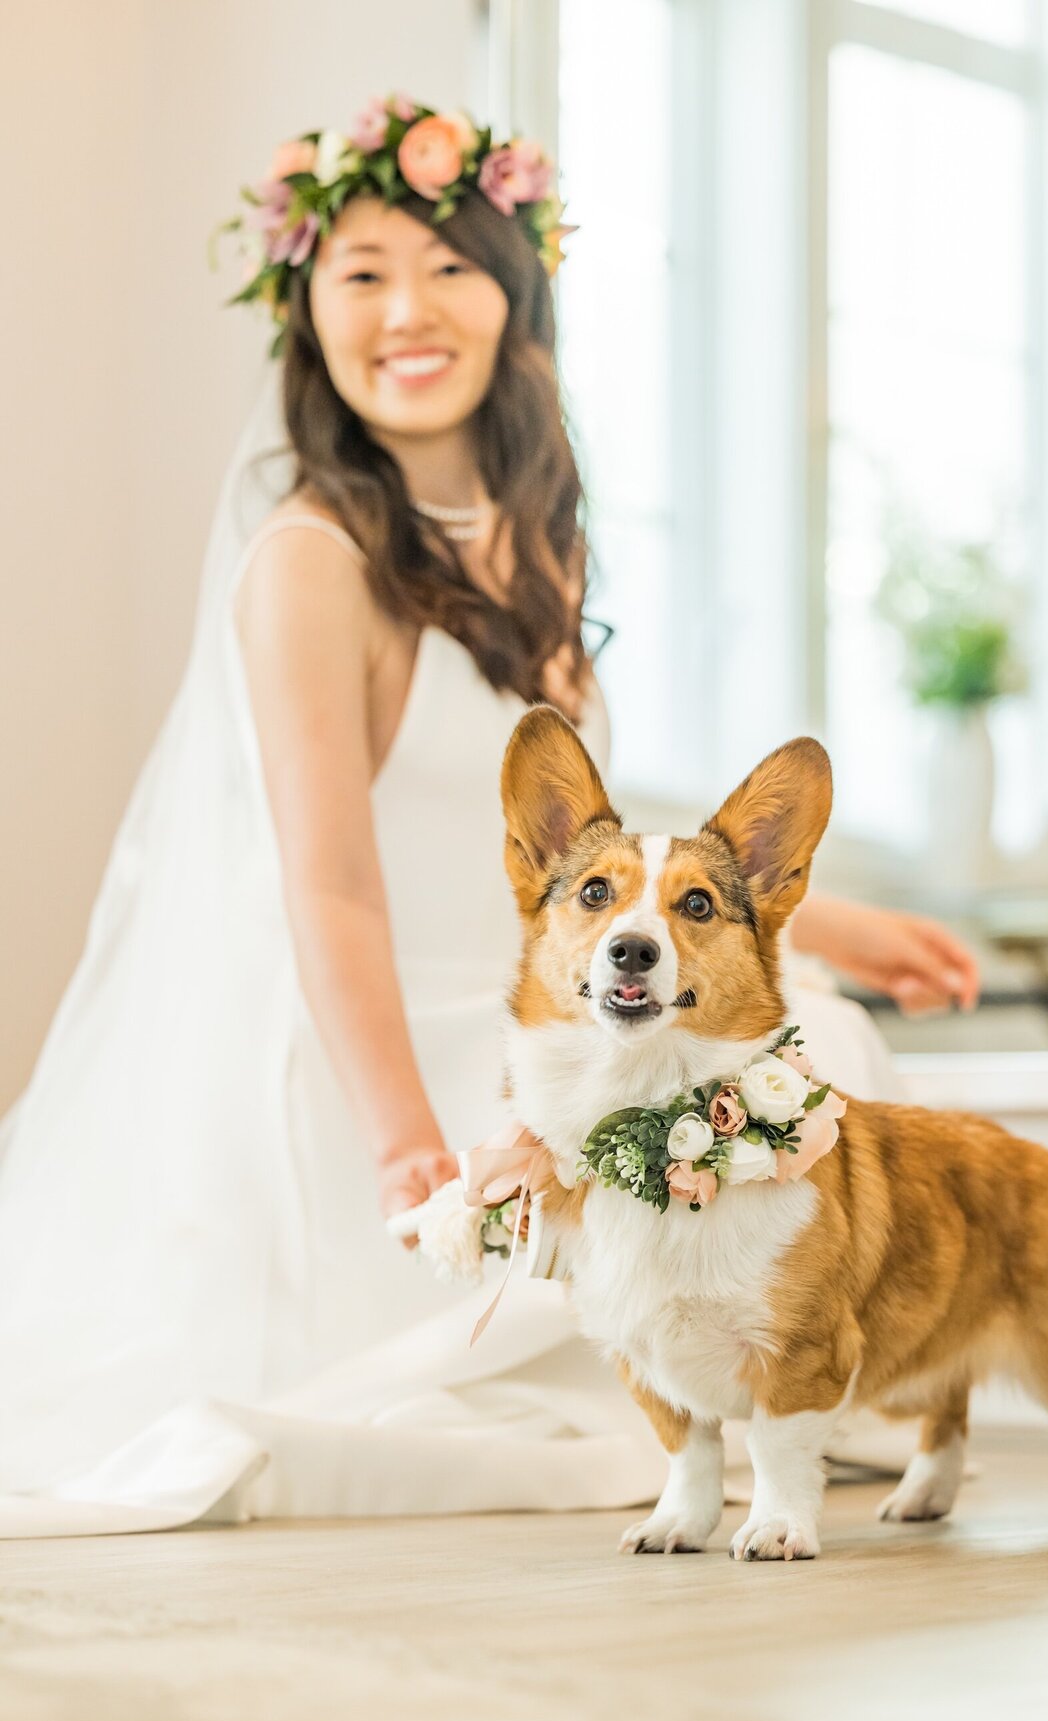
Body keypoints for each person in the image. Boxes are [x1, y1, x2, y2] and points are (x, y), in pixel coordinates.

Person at [0, 95, 977, 1536]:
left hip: (528, 997)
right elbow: (326, 883)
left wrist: (831, 920)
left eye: (449, 266)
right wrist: (411, 1144)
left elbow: (597, 868)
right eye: (364, 273)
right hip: (379, 1035)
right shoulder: (310, 564)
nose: (411, 308)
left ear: (513, 300)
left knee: (813, 1027)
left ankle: (772, 1387)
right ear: (309, 319)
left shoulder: (535, 550)